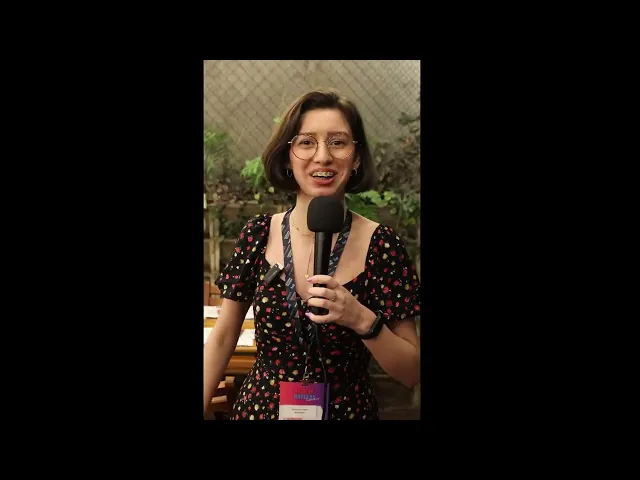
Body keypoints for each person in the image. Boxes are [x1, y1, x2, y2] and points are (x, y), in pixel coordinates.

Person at [203, 88, 421, 420]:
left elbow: (411, 372)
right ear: (287, 157)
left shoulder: (383, 245)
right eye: (306, 142)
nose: (323, 156)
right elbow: (221, 341)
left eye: (338, 142)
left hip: (347, 411)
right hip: (261, 409)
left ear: (356, 157)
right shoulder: (258, 234)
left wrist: (361, 319)